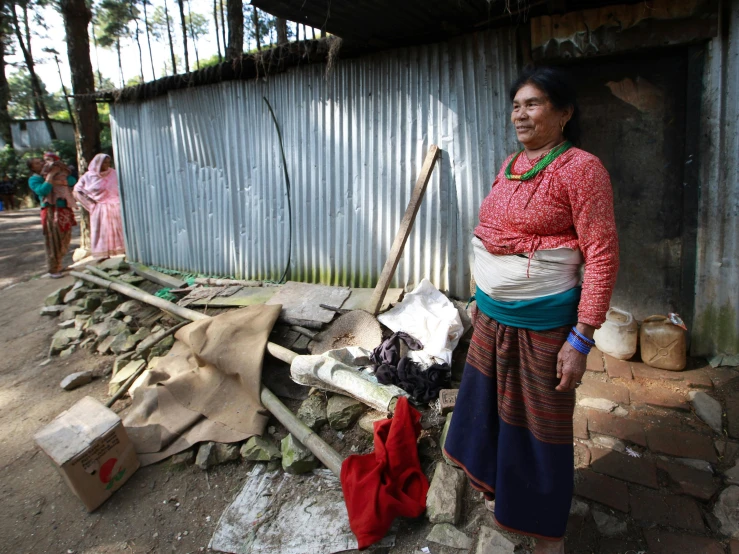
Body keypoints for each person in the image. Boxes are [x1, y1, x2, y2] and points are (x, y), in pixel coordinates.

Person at [443, 66, 619, 554]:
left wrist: (581, 339)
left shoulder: (583, 169)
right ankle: (505, 500)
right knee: (492, 417)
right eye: (517, 104)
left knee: (540, 429)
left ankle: (548, 537)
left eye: (534, 103)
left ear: (564, 114)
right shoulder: (510, 164)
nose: (520, 113)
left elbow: (601, 255)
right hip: (493, 321)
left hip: (544, 329)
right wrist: (485, 295)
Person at [27, 158, 78, 278]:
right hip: (51, 211)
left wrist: (59, 178)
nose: (41, 163)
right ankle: (53, 269)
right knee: (53, 240)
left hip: (64, 209)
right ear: (32, 168)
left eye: (40, 161)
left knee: (65, 238)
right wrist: (51, 176)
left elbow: (72, 180)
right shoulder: (34, 179)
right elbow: (42, 190)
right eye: (37, 162)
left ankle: (59, 264)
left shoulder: (59, 172)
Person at [73, 153, 125, 260]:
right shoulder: (88, 176)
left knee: (119, 230)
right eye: (104, 162)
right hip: (99, 208)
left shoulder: (114, 174)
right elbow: (78, 190)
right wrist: (91, 204)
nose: (106, 164)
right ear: (97, 163)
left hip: (115, 206)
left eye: (108, 162)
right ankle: (103, 255)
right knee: (101, 231)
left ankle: (122, 252)